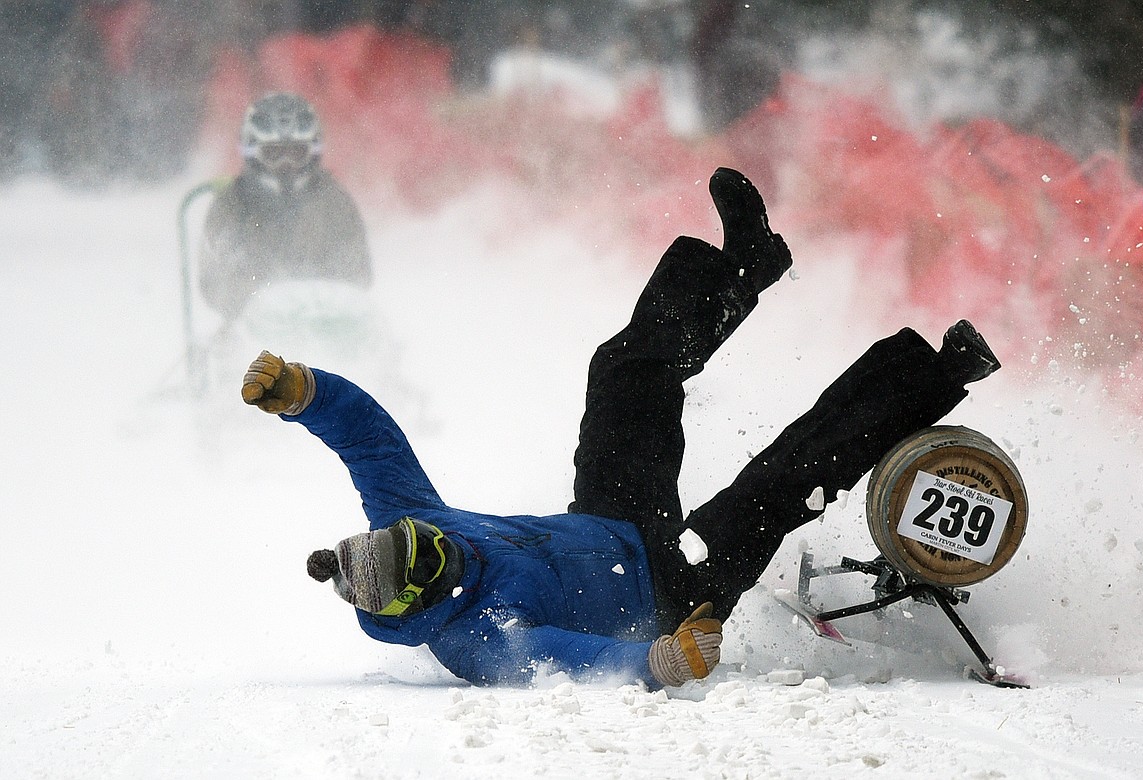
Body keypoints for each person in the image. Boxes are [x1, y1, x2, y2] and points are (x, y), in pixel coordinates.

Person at [240, 167, 1001, 689]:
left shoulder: (416, 524)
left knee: (621, 374)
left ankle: (743, 267)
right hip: (674, 587)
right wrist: (662, 661)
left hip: (611, 518)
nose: (446, 546)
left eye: (427, 537)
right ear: (418, 604)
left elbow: (369, 440)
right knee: (782, 477)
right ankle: (937, 374)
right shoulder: (477, 641)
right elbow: (571, 658)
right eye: (432, 563)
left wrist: (303, 393)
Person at [199, 92, 373, 322]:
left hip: (325, 324)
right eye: (274, 153)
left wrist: (314, 304)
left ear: (312, 153)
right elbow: (216, 283)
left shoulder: (333, 202)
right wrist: (264, 304)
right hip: (251, 327)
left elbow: (357, 275)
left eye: (295, 153)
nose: (285, 165)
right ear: (253, 153)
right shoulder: (231, 205)